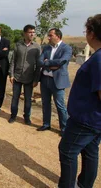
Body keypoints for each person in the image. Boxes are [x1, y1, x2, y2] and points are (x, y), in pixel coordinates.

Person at [58, 14, 101, 188]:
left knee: (67, 151)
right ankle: (84, 185)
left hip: (86, 119)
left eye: (86, 30)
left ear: (91, 33)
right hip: (94, 120)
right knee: (90, 152)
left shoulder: (99, 59)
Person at [37, 28, 72, 135]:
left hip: (58, 81)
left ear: (58, 36)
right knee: (45, 103)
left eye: (50, 35)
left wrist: (47, 62)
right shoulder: (46, 48)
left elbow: (62, 61)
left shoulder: (67, 48)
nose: (48, 37)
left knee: (60, 105)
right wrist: (52, 64)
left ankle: (64, 129)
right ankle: (46, 124)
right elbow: (39, 61)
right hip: (45, 80)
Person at [8, 24, 41, 125]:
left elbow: (39, 64)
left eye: (33, 32)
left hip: (29, 78)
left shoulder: (37, 47)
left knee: (28, 99)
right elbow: (13, 61)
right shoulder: (18, 45)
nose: (32, 34)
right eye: (30, 32)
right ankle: (13, 115)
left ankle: (27, 117)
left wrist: (36, 79)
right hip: (17, 77)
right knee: (15, 98)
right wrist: (11, 74)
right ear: (25, 33)